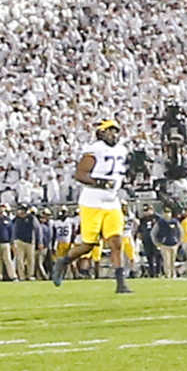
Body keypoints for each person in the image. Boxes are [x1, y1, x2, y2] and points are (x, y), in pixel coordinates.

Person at [47, 118, 133, 294]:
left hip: (112, 202)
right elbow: (80, 174)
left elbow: (123, 173)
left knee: (117, 242)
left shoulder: (122, 150)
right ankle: (63, 261)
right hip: (92, 201)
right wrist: (100, 182)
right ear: (101, 133)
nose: (113, 134)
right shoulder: (94, 150)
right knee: (88, 245)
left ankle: (121, 284)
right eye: (109, 130)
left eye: (116, 130)